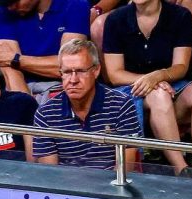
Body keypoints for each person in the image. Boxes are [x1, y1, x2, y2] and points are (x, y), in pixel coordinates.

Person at [102, 0, 192, 177]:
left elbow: (181, 66)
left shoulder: (180, 16)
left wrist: (160, 76)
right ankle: (182, 169)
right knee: (159, 94)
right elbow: (115, 75)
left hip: (171, 85)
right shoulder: (116, 19)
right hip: (132, 92)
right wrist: (150, 81)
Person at [33, 39, 140, 169]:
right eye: (67, 72)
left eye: (80, 71)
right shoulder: (45, 114)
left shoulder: (121, 105)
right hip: (64, 181)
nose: (73, 80)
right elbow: (50, 173)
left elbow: (125, 169)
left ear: (96, 70)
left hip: (112, 181)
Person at [0, 0, 88, 101]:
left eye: (15, 1)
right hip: (22, 88)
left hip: (63, 87)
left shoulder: (74, 5)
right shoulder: (4, 12)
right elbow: (8, 66)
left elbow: (70, 66)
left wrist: (15, 59)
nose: (10, 7)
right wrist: (26, 105)